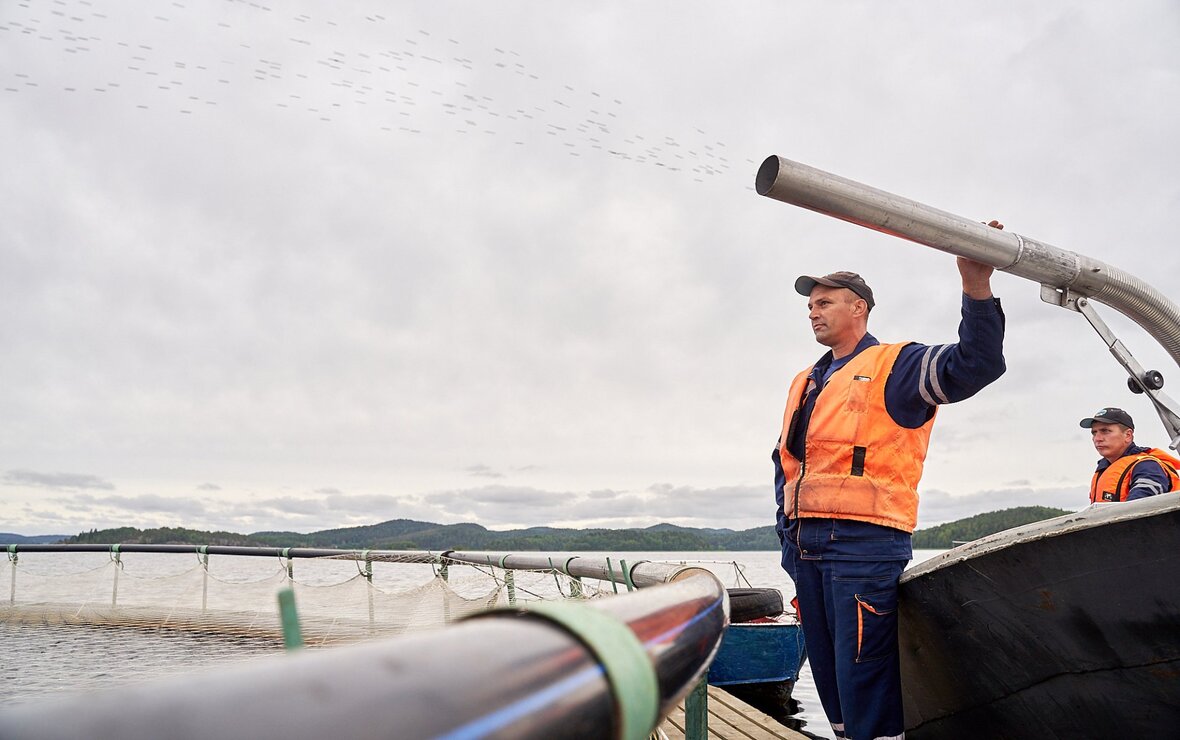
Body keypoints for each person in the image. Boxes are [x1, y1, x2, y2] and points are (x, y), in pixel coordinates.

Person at [773, 234, 1007, 740]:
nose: (813, 312)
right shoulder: (807, 382)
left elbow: (978, 364)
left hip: (863, 546)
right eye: (810, 305)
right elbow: (786, 466)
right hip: (805, 550)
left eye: (825, 302)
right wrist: (787, 544)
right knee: (831, 681)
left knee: (865, 675)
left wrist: (976, 286)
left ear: (858, 308)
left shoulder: (897, 366)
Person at [1080, 406, 1180, 502]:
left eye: (1105, 431)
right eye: (1094, 433)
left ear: (1128, 435)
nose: (1097, 439)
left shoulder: (1147, 466)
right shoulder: (1103, 469)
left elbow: (1141, 507)